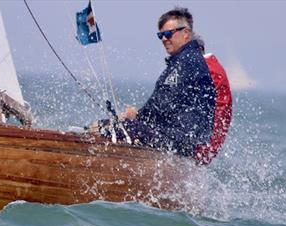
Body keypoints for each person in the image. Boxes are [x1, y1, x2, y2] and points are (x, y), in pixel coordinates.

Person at [91, 7, 216, 158]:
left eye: (169, 33)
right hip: (179, 138)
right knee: (111, 126)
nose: (164, 39)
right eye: (161, 35)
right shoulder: (185, 60)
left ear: (186, 34)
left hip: (179, 140)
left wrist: (137, 117)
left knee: (103, 128)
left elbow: (165, 101)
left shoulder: (187, 62)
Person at [193, 37, 233, 165]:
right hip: (206, 145)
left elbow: (220, 112)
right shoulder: (210, 67)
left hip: (201, 146)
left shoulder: (208, 69)